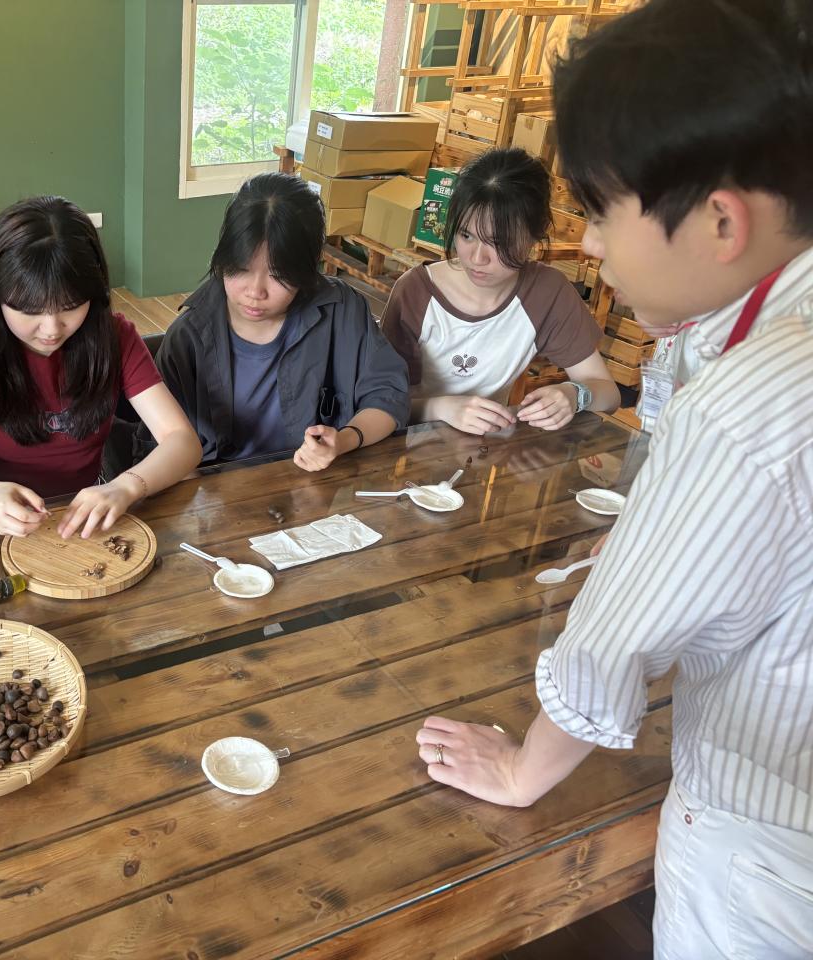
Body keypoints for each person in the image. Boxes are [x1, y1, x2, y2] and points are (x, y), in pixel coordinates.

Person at [412, 2, 813, 957]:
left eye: (598, 212)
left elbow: (609, 645)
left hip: (767, 846)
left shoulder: (751, 395)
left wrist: (522, 770)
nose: (587, 245)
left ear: (720, 220)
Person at [0, 196, 201, 539]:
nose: (51, 329)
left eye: (70, 306)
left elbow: (182, 441)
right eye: (30, 310)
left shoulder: (113, 337)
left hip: (85, 519)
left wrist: (126, 485)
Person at [156, 172, 408, 470]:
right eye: (239, 269)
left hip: (320, 481)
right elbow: (160, 447)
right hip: (219, 490)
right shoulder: (189, 336)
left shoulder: (341, 310)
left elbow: (387, 394)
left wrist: (344, 440)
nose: (255, 292)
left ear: (307, 269)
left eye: (278, 276)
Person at [381, 147, 619, 435]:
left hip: (486, 450)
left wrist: (574, 394)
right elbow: (377, 403)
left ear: (536, 233)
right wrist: (441, 409)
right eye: (466, 235)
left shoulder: (546, 294)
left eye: (498, 242)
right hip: (403, 448)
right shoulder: (415, 293)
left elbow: (609, 394)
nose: (477, 258)